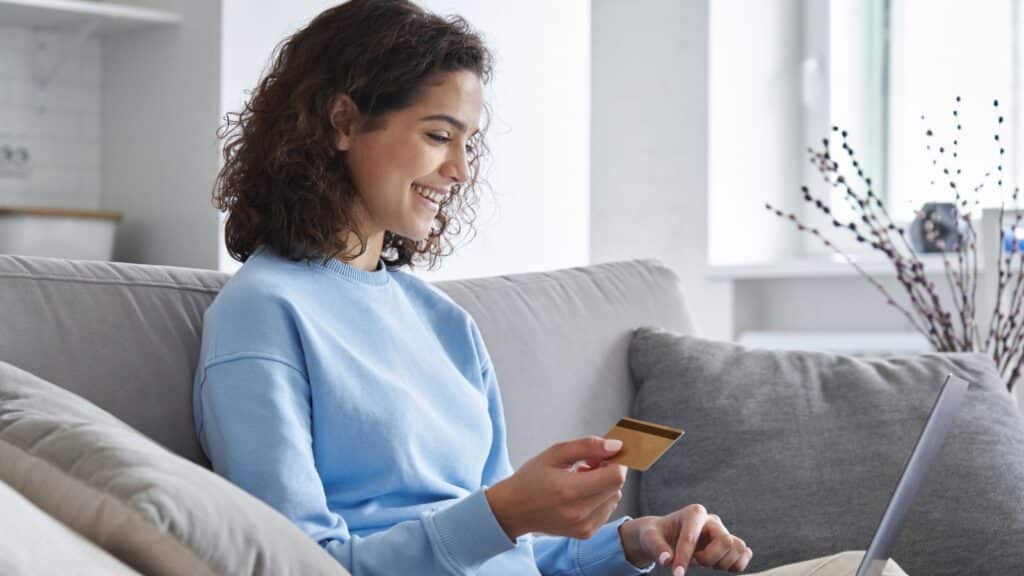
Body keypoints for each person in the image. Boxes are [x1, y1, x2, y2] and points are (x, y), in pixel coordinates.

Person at [194, 1, 906, 575]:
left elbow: (519, 553)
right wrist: (503, 512)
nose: (461, 170)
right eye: (439, 135)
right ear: (343, 121)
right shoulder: (264, 313)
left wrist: (635, 540)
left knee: (866, 571)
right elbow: (300, 564)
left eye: (469, 142)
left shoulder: (443, 323)